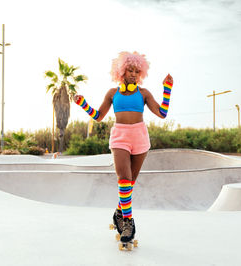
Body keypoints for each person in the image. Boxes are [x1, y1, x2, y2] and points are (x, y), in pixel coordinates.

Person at [73, 51, 174, 243]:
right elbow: (98, 115)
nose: (134, 74)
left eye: (137, 71)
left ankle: (119, 213)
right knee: (124, 180)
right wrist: (83, 103)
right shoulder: (112, 93)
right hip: (120, 137)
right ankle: (128, 222)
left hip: (140, 138)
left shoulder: (144, 93)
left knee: (129, 185)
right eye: (130, 70)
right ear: (121, 72)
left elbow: (162, 113)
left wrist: (167, 88)